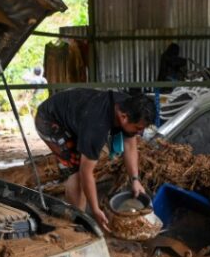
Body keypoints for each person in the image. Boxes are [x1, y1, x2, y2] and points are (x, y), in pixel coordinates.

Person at [34, 89, 156, 232]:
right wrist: (95, 209)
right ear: (123, 117)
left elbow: (130, 144)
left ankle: (81, 219)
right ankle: (78, 222)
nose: (140, 132)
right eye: (138, 128)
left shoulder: (129, 105)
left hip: (77, 116)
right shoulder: (97, 127)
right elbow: (86, 173)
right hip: (50, 120)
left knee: (87, 159)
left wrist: (135, 180)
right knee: (76, 172)